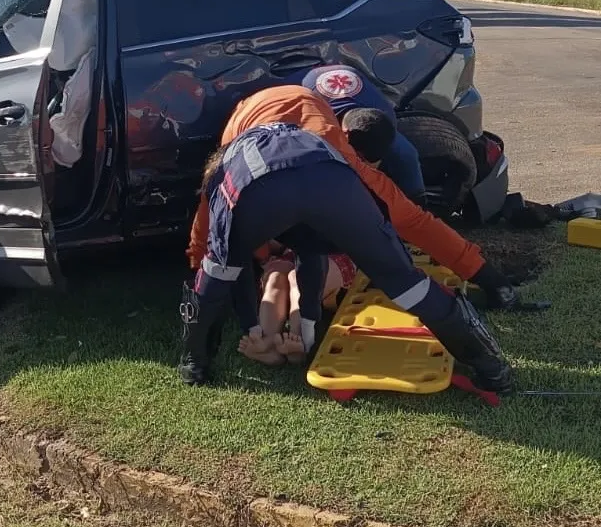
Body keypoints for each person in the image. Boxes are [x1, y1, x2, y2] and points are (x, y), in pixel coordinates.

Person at [180, 122, 513, 395]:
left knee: (218, 274)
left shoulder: (225, 171)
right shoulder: (315, 138)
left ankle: (194, 363)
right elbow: (311, 255)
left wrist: (248, 323)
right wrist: (308, 331)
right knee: (405, 283)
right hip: (335, 181)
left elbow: (225, 265)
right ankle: (491, 366)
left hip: (262, 187)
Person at [186, 84, 519, 311]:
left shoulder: (360, 162)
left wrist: (488, 277)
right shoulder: (239, 162)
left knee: (278, 266)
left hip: (300, 120)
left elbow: (417, 220)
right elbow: (213, 203)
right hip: (256, 117)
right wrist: (204, 264)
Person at [297, 65, 426, 204]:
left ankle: (418, 202)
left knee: (406, 154)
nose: (371, 168)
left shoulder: (386, 115)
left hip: (346, 71)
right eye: (364, 159)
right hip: (305, 77)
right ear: (346, 136)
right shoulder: (317, 124)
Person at [240, 244, 356, 366]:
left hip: (333, 252)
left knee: (299, 277)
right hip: (290, 253)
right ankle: (268, 345)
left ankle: (298, 339)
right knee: (275, 277)